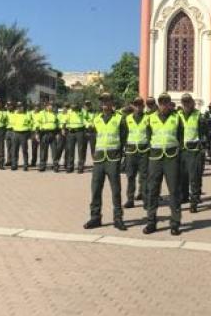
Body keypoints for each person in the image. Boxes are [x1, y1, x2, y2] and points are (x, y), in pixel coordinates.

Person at [84, 93, 127, 230]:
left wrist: (122, 156)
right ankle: (95, 217)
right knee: (95, 189)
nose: (104, 104)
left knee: (116, 190)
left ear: (111, 102)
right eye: (102, 101)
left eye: (107, 101)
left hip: (113, 158)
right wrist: (94, 154)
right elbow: (93, 138)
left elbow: (124, 138)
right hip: (99, 159)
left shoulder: (120, 119)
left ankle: (118, 218)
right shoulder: (96, 119)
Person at [144, 92, 184, 235]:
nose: (164, 105)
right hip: (155, 157)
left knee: (174, 191)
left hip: (171, 157)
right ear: (158, 104)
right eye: (161, 102)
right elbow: (148, 137)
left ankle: (175, 223)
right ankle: (151, 222)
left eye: (166, 102)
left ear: (169, 103)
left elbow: (181, 137)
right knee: (153, 190)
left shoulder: (176, 118)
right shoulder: (150, 119)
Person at [178, 94, 204, 213]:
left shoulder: (198, 115)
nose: (186, 104)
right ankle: (184, 197)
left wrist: (202, 146)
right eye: (184, 102)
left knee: (194, 177)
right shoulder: (178, 116)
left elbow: (204, 132)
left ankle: (193, 202)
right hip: (182, 150)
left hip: (194, 150)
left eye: (188, 102)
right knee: (182, 176)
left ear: (192, 102)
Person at [122, 98, 150, 208]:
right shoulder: (127, 118)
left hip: (144, 151)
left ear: (143, 106)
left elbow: (150, 133)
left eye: (140, 105)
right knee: (130, 176)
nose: (138, 107)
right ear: (133, 106)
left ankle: (145, 199)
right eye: (136, 105)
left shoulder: (148, 118)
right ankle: (130, 199)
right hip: (131, 151)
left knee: (144, 176)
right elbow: (124, 134)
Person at [34, 102, 60, 172]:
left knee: (54, 151)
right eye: (49, 105)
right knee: (43, 151)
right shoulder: (41, 113)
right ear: (46, 106)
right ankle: (42, 166)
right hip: (44, 134)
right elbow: (37, 123)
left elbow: (57, 124)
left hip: (53, 134)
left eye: (52, 105)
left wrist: (57, 133)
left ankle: (55, 166)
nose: (51, 107)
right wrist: (37, 133)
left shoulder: (54, 113)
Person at [62, 101, 87, 173]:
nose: (74, 108)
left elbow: (86, 119)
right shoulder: (69, 111)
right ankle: (70, 167)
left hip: (80, 131)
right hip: (71, 132)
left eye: (75, 107)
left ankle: (80, 167)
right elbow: (64, 120)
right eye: (73, 107)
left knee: (81, 150)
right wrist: (63, 129)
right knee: (70, 150)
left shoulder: (82, 111)